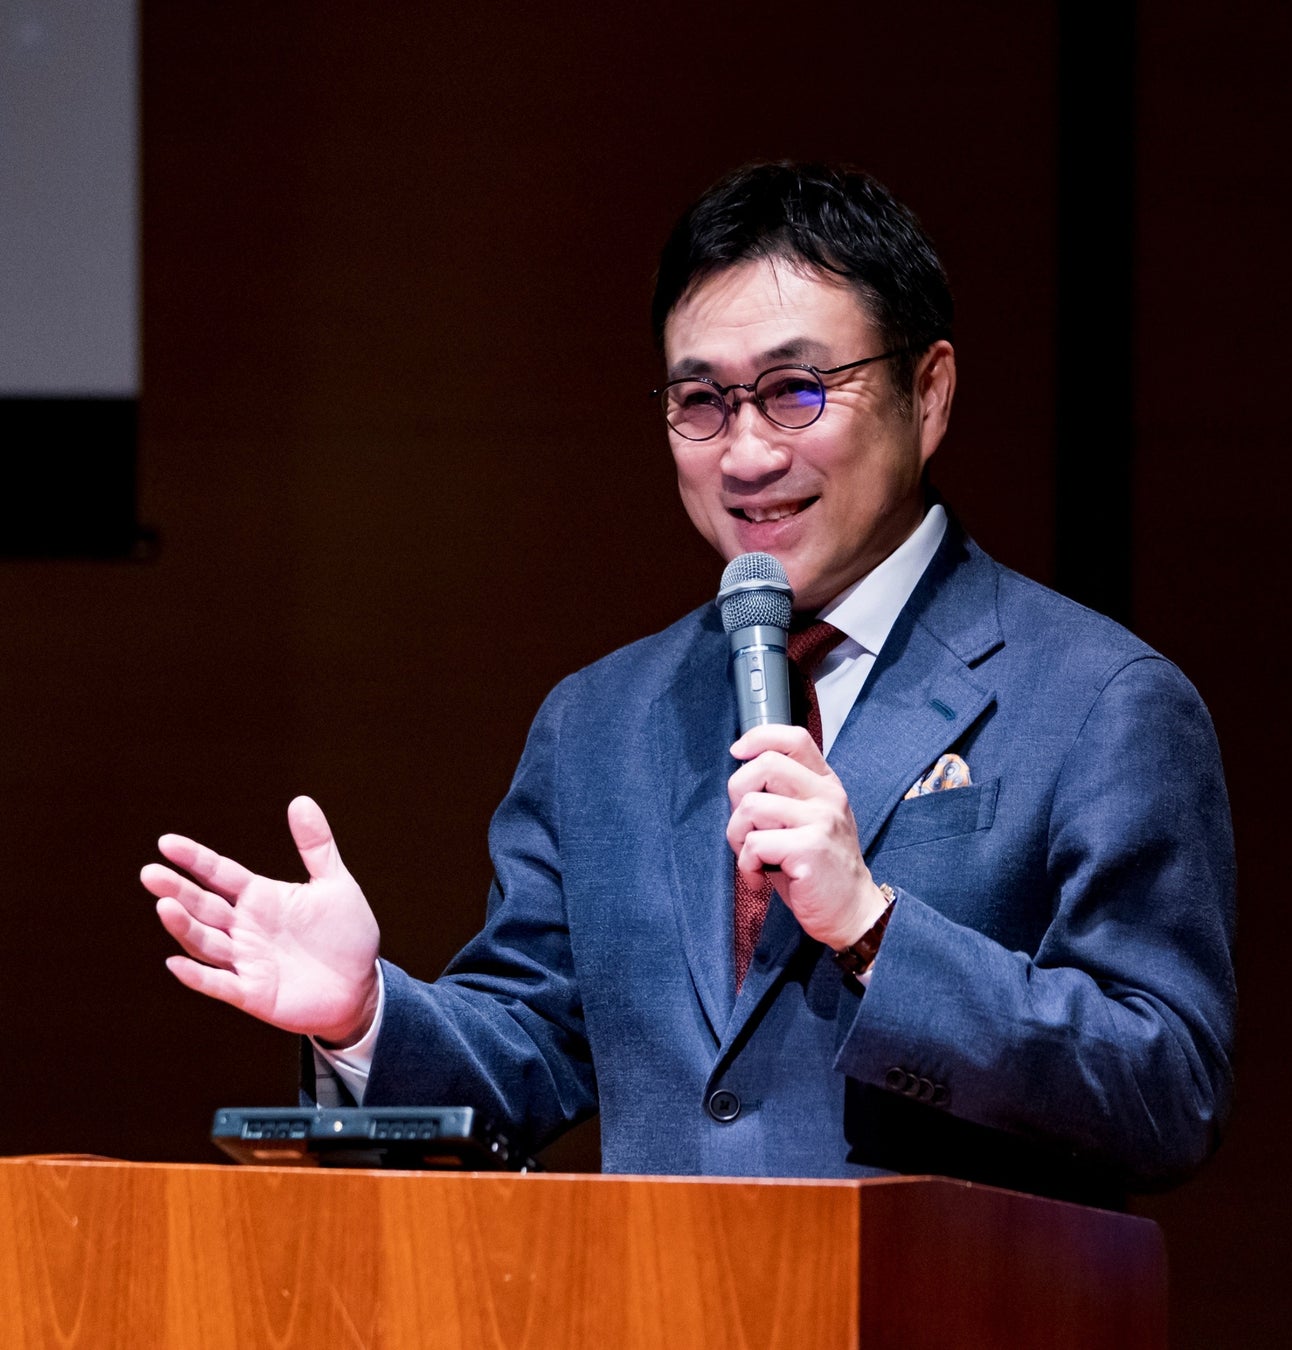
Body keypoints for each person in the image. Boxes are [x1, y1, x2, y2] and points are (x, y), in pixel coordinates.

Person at [142, 162, 1235, 1204]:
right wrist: (364, 1017)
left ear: (929, 392)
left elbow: (1168, 1091)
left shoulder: (1100, 700)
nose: (746, 455)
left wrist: (874, 929)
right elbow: (527, 1055)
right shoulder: (599, 723)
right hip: (660, 1301)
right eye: (702, 401)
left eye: (797, 391)